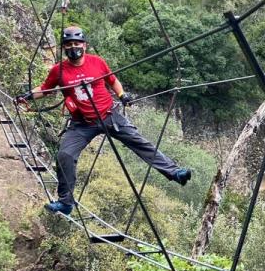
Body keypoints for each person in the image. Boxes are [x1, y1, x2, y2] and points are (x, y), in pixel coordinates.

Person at [17, 26, 191, 214]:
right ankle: (65, 203)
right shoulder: (58, 71)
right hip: (81, 123)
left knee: (139, 142)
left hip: (109, 115)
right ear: (64, 48)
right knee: (65, 155)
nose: (73, 47)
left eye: (77, 43)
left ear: (85, 45)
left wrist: (122, 95)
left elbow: (113, 81)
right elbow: (45, 89)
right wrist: (27, 96)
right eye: (69, 44)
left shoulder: (97, 62)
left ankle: (175, 173)